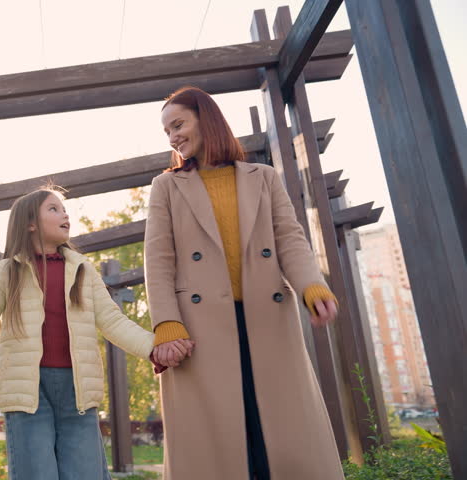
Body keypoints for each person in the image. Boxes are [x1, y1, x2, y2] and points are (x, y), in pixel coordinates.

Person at [144, 86, 343, 480]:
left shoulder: (264, 177)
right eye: (167, 131)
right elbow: (158, 260)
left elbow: (289, 238)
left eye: (179, 124)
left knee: (280, 433)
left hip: (266, 319)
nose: (173, 137)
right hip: (199, 329)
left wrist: (312, 286)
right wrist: (167, 323)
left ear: (207, 119)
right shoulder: (166, 186)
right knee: (218, 441)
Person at [0, 188, 186, 480]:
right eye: (54, 209)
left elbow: (114, 322)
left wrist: (155, 346)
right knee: (36, 473)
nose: (65, 214)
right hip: (28, 393)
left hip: (77, 390)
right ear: (30, 223)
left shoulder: (83, 271)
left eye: (64, 209)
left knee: (85, 473)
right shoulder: (5, 272)